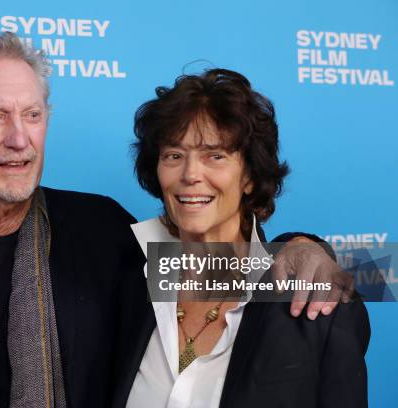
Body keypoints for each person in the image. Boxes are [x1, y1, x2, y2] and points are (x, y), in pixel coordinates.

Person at [0, 33, 351, 408]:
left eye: (32, 115)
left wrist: (304, 245)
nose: (18, 138)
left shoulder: (105, 234)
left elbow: (237, 275)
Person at [124, 69, 369, 408]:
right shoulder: (125, 287)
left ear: (250, 177)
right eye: (174, 156)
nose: (191, 174)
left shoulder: (316, 299)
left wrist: (302, 244)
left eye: (216, 155)